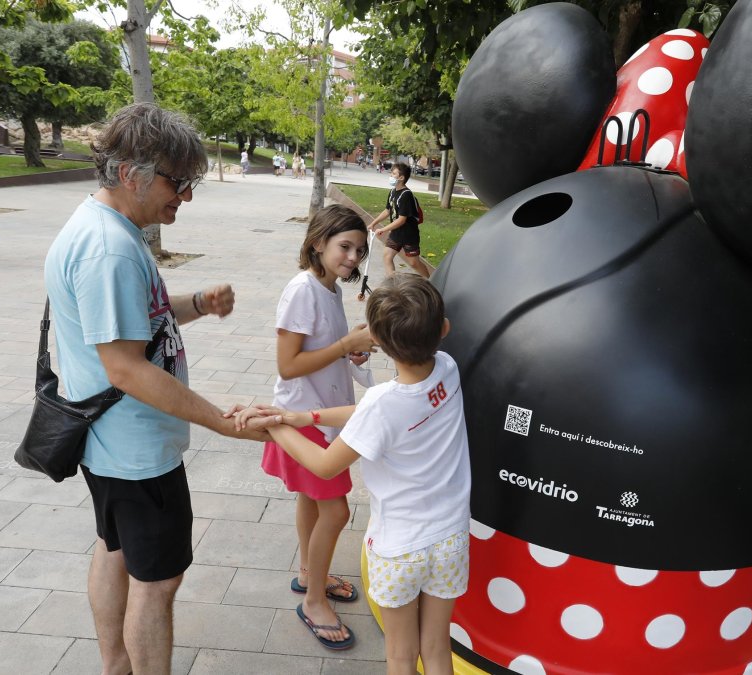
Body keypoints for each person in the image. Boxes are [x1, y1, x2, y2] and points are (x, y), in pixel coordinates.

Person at [43, 103, 265, 675]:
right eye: (178, 181)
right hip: (136, 452)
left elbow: (127, 330)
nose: (185, 196)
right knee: (158, 581)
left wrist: (194, 304)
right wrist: (222, 419)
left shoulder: (103, 227)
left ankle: (116, 664)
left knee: (115, 551)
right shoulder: (110, 249)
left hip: (110, 444)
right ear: (129, 173)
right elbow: (126, 367)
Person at [234, 274, 472, 673]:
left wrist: (275, 425)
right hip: (450, 538)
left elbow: (326, 464)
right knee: (435, 648)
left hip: (399, 549)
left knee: (400, 654)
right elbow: (370, 418)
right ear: (443, 329)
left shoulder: (383, 402)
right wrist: (302, 416)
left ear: (375, 340)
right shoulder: (447, 369)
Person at [259, 204, 376, 650]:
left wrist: (351, 353)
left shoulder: (327, 289)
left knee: (313, 501)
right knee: (337, 511)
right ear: (318, 242)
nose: (353, 257)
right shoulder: (302, 290)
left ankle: (312, 573)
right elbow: (288, 366)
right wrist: (346, 344)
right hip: (304, 417)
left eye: (360, 250)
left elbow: (321, 350)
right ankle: (313, 601)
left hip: (320, 414)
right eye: (345, 246)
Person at [367, 163, 433, 280]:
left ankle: (431, 282)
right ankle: (392, 284)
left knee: (414, 263)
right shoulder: (393, 192)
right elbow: (387, 210)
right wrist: (374, 223)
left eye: (393, 174)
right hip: (396, 234)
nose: (391, 176)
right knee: (387, 256)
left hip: (409, 235)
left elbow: (402, 220)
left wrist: (383, 229)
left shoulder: (406, 195)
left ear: (401, 178)